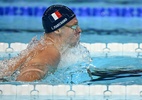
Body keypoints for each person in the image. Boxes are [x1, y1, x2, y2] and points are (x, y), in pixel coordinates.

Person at [0, 4, 82, 82]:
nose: (79, 30)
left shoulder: (43, 46)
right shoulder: (52, 53)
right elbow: (27, 77)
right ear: (57, 30)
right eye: (74, 26)